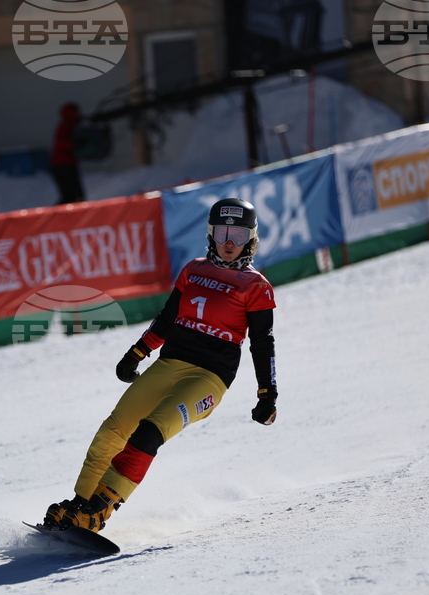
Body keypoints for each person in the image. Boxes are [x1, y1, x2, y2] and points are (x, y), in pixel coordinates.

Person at [42, 197, 278, 533]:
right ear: (211, 233)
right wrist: (137, 353)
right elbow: (167, 320)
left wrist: (267, 394)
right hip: (169, 363)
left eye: (238, 236)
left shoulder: (256, 287)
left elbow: (262, 344)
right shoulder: (193, 270)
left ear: (251, 240)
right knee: (113, 430)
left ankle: (100, 510)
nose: (229, 243)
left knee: (150, 430)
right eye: (224, 232)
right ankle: (80, 506)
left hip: (209, 378)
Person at [49, 102, 85, 205]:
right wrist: (75, 144)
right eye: (76, 112)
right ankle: (59, 217)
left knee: (75, 195)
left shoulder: (73, 125)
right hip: (63, 165)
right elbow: (60, 143)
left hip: (69, 164)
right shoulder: (65, 125)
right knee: (71, 195)